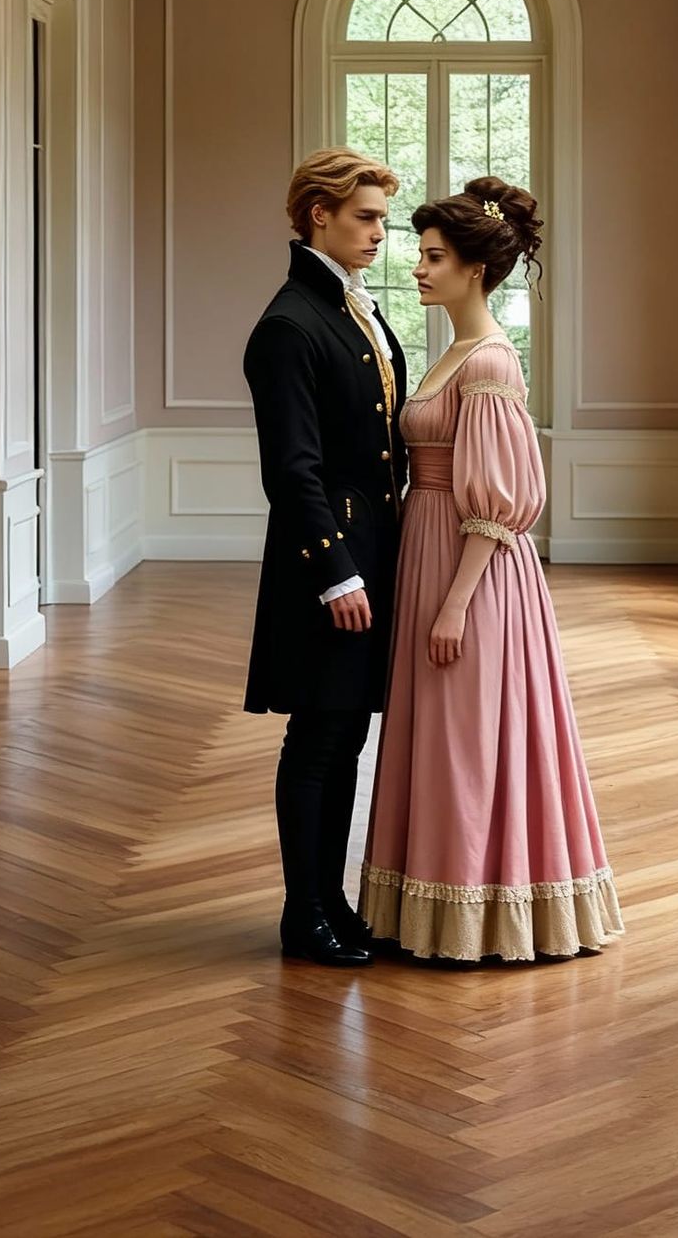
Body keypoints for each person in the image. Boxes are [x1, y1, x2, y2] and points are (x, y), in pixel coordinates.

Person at [360, 176, 624, 962]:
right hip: (427, 550)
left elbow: (502, 503)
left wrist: (455, 605)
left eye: (433, 257)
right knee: (436, 734)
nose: (417, 267)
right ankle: (429, 908)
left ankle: (487, 911)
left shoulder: (491, 365)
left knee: (468, 736)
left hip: (468, 570)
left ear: (475, 269)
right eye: (419, 253)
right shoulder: (455, 353)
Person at [243, 148, 409, 968]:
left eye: (381, 216)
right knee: (316, 737)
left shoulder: (348, 308)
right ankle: (301, 913)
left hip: (370, 556)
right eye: (366, 217)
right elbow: (293, 471)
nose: (382, 232)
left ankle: (332, 901)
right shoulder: (288, 325)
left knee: (343, 733)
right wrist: (336, 571)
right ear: (318, 214)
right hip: (330, 568)